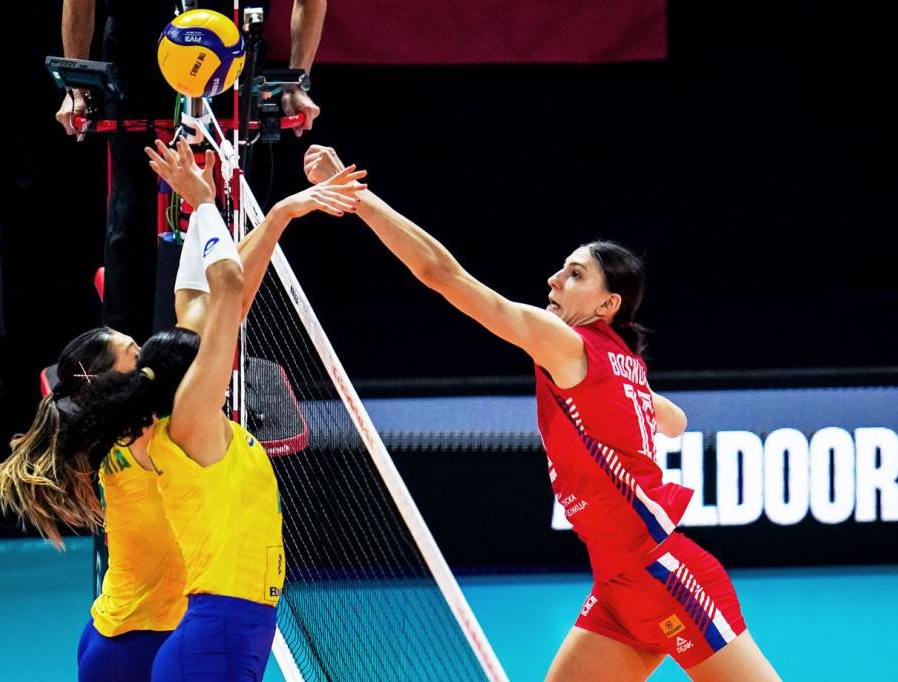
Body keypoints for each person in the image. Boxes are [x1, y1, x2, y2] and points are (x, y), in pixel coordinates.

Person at [301, 145, 780, 681]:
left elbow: (441, 273)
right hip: (617, 589)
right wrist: (642, 404)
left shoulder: (568, 345)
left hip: (664, 577)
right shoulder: (622, 362)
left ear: (608, 305)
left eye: (575, 274)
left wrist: (358, 198)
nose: (554, 279)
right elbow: (677, 422)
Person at [0, 138, 362, 680]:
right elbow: (222, 299)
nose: (143, 345)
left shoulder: (132, 421)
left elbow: (207, 307)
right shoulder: (157, 431)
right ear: (105, 377)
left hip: (132, 631)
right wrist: (206, 202)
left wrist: (277, 214)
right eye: (131, 349)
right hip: (145, 635)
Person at [55, 0, 326, 342]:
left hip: (227, 64)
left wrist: (297, 81)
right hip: (138, 63)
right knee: (132, 216)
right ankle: (126, 367)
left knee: (227, 216)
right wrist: (77, 87)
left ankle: (221, 358)